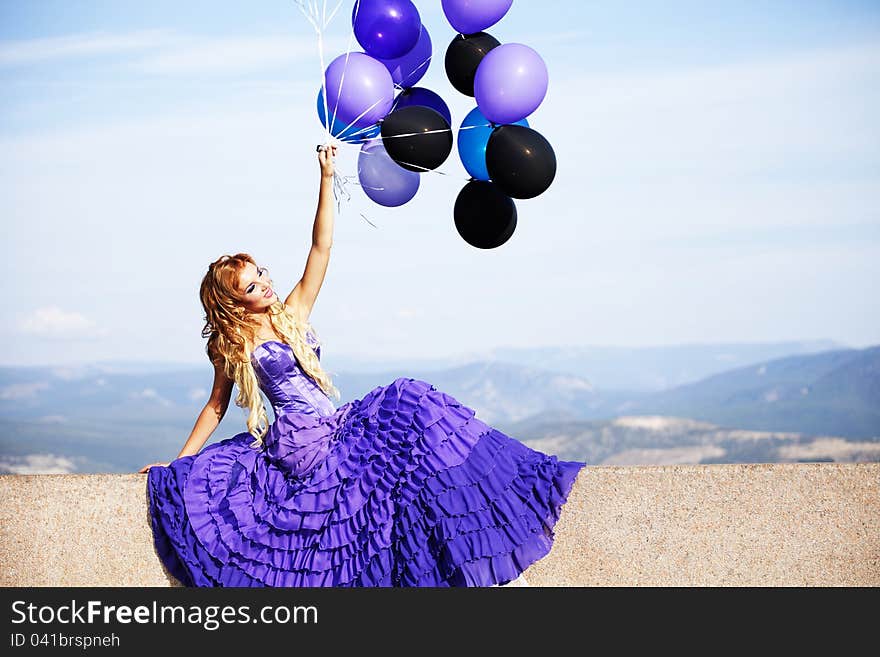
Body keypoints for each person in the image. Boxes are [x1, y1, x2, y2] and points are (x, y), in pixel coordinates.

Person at [140, 143, 587, 587]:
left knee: (411, 407)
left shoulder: (292, 312)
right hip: (302, 444)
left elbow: (321, 248)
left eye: (264, 275)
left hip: (336, 425)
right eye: (254, 286)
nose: (267, 286)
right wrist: (179, 462)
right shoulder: (232, 344)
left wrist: (326, 177)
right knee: (392, 455)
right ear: (235, 301)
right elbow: (216, 406)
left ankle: (481, 542)